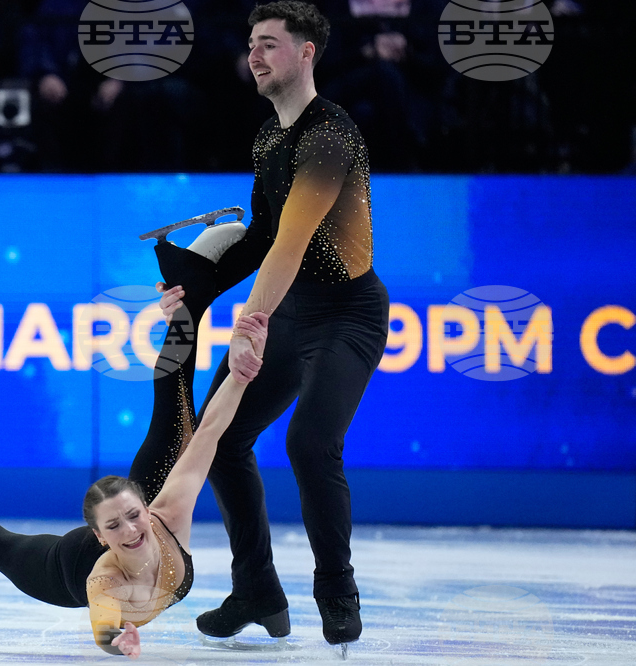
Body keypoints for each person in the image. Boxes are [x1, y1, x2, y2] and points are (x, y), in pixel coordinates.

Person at [0, 229, 269, 659]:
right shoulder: (104, 578)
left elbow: (211, 430)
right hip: (59, 571)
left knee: (177, 427)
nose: (132, 530)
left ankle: (187, 301)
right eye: (115, 526)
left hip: (141, 499)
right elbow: (103, 628)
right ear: (99, 537)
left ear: (146, 504)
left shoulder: (167, 513)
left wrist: (242, 371)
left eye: (133, 516)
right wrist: (118, 640)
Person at [176, 0, 390, 652]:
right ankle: (257, 589)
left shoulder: (329, 136)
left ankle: (337, 588)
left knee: (308, 442)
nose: (255, 54)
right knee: (219, 438)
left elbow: (291, 244)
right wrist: (193, 280)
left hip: (348, 314)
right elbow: (263, 237)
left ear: (306, 53)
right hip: (291, 311)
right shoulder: (269, 137)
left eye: (269, 43)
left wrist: (249, 323)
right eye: (250, 43)